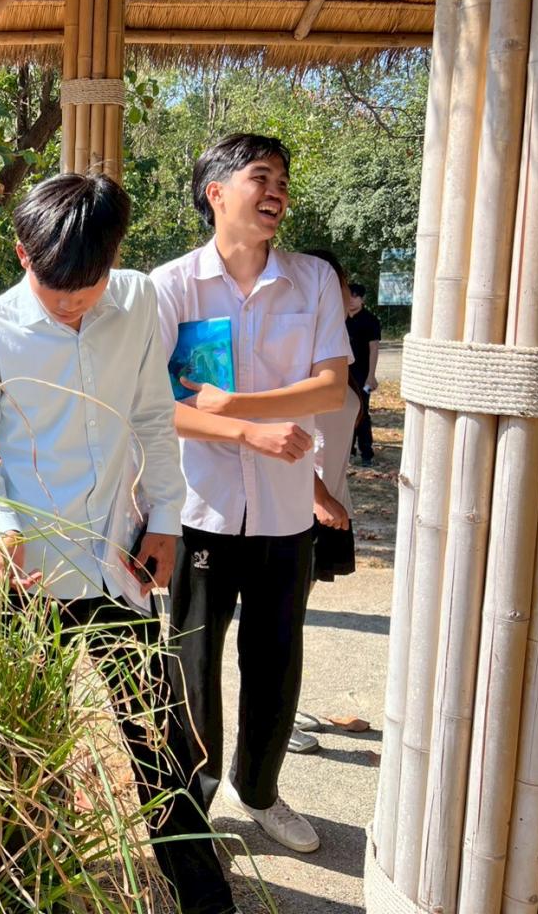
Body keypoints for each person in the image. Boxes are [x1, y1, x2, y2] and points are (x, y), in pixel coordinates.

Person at [0, 173, 239, 914]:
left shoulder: (140, 299)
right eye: (57, 289)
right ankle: (26, 892)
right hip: (29, 580)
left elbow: (152, 412)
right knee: (25, 746)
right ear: (22, 253)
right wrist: (1, 528)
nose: (74, 302)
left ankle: (203, 897)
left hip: (121, 562)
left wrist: (169, 519)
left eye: (89, 284)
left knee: (160, 746)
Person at [151, 133, 352, 855]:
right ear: (216, 193)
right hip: (198, 510)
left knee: (276, 662)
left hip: (284, 513)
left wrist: (234, 407)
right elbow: (154, 403)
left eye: (283, 181)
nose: (277, 193)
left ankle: (260, 792)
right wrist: (247, 433)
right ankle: (193, 801)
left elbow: (331, 384)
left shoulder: (312, 282)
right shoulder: (170, 286)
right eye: (260, 177)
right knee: (193, 666)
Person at [290, 249, 363, 756]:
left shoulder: (338, 347)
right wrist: (318, 496)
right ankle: (274, 724)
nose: (344, 294)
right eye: (337, 284)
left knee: (295, 616)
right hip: (303, 504)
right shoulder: (296, 347)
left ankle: (286, 709)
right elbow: (288, 431)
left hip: (331, 500)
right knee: (280, 621)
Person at [346, 282, 382, 465]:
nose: (352, 300)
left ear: (362, 299)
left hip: (361, 374)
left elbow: (374, 348)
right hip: (341, 373)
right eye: (349, 295)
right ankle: (347, 450)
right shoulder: (338, 318)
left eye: (355, 296)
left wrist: (371, 375)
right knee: (342, 411)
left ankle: (366, 452)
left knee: (362, 412)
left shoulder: (370, 320)